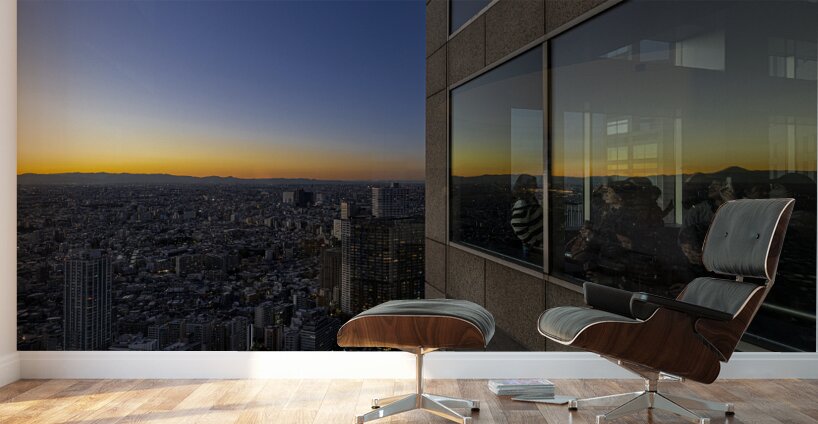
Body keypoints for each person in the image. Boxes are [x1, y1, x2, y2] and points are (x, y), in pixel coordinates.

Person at [510, 174, 544, 256]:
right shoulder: (522, 203)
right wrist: (533, 242)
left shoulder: (529, 200)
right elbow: (517, 225)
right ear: (524, 187)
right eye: (533, 185)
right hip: (533, 248)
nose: (535, 188)